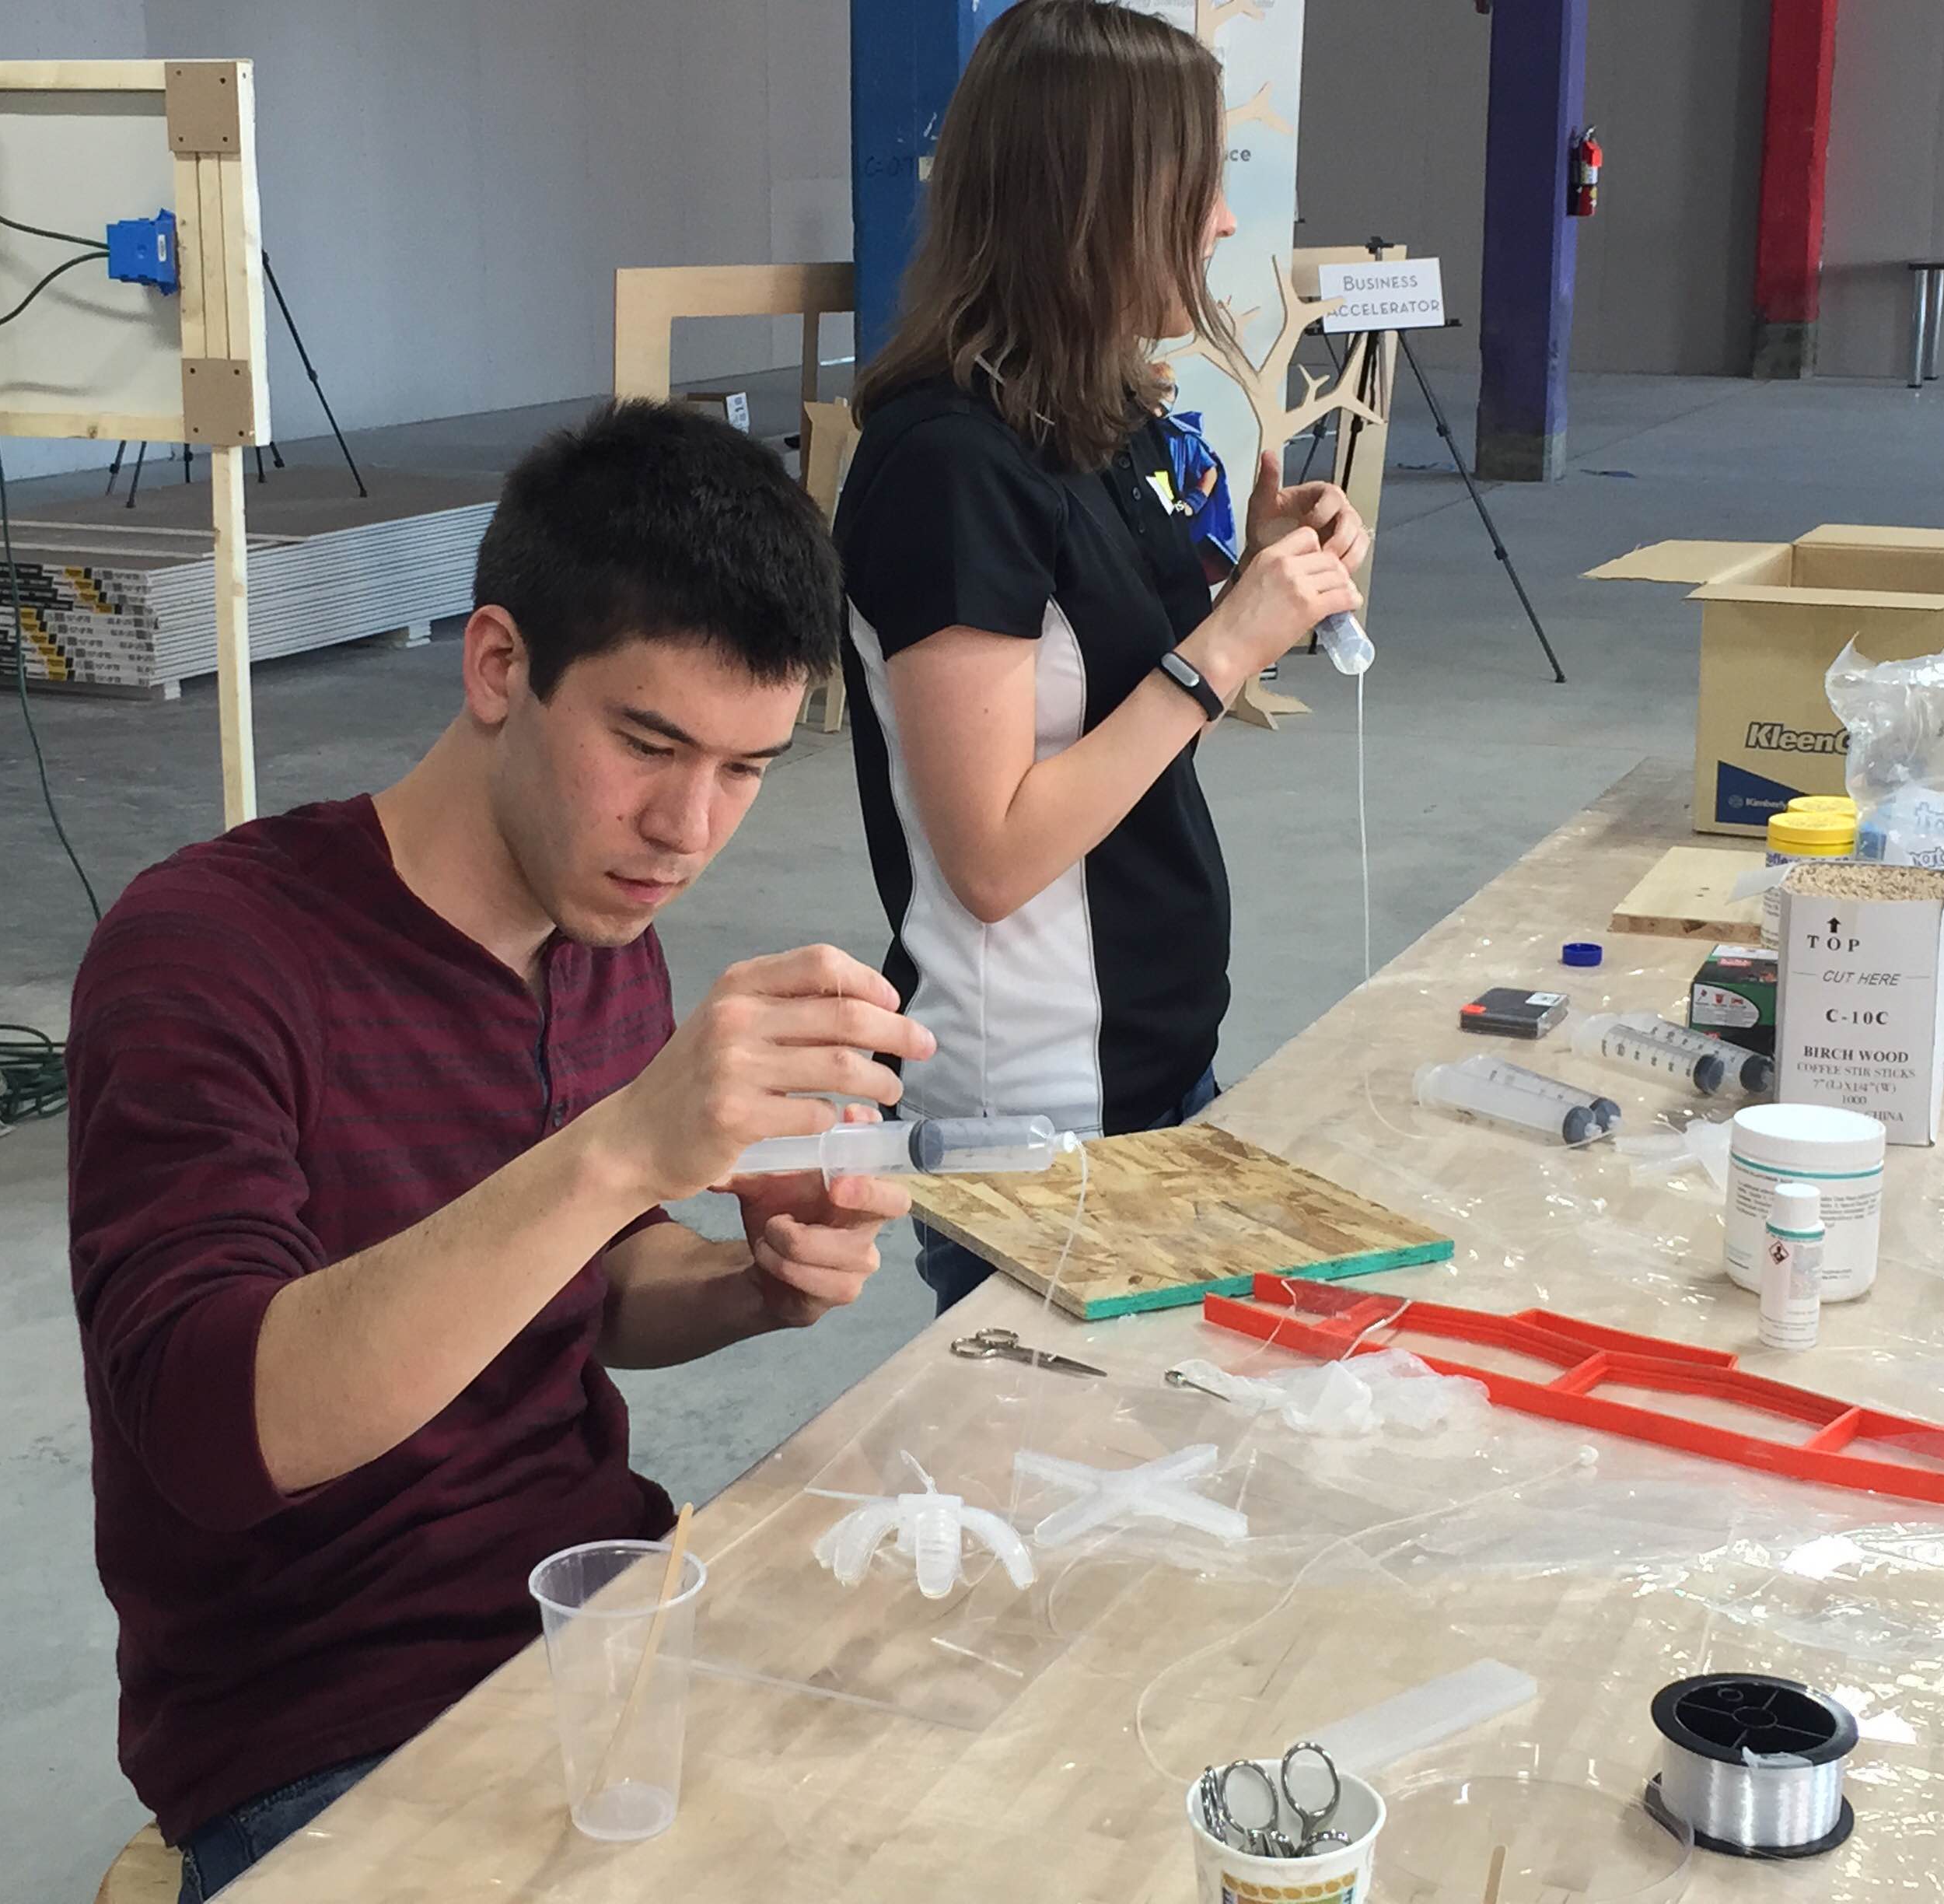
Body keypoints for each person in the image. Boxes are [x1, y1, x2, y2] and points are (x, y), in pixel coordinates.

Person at [66, 401, 933, 1902]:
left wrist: (748, 1285)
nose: (686, 828)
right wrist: (626, 1145)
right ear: (497, 667)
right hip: (320, 1719)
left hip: (601, 1613)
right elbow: (214, 1430)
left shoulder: (604, 933)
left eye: (745, 769)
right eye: (647, 743)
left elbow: (583, 1287)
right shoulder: (208, 954)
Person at [833, 0, 1370, 1310]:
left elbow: (1107, 694)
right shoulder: (948, 468)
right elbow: (993, 857)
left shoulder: (1097, 413)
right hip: (1037, 1107)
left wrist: (1252, 576)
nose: (1222, 224)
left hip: (1154, 1056)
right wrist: (1223, 650)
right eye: (1197, 188)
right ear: (1092, 200)